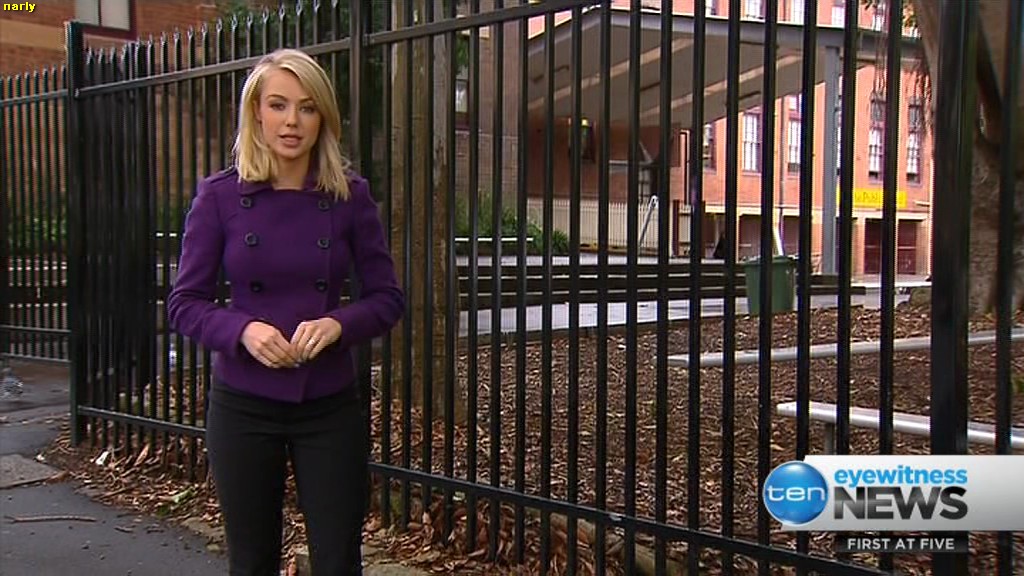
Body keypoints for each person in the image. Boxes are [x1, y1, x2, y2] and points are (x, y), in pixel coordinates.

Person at [167, 48, 404, 576]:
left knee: (338, 560)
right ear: (256, 112)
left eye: (307, 107)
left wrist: (338, 323)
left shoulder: (350, 197)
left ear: (323, 118)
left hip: (328, 404)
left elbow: (387, 298)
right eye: (278, 105)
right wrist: (242, 330)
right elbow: (184, 304)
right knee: (252, 561)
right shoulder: (219, 197)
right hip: (244, 404)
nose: (292, 121)